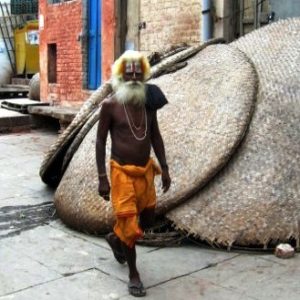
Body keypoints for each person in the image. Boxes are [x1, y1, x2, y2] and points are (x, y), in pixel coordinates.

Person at [96, 50, 171, 297]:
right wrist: (102, 178)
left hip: (146, 171)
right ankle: (134, 274)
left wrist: (165, 168)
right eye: (129, 70)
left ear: (144, 73)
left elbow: (155, 136)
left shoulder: (149, 104)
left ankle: (115, 239)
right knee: (129, 224)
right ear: (120, 74)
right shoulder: (110, 105)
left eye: (138, 70)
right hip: (120, 173)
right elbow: (99, 142)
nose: (134, 74)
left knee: (148, 220)